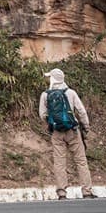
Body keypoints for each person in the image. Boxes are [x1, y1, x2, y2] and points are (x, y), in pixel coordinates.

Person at [39, 68, 95, 200]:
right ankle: (86, 191)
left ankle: (62, 193)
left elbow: (42, 114)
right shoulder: (71, 93)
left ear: (53, 79)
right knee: (81, 161)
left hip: (57, 132)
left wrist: (52, 122)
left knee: (59, 162)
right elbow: (81, 111)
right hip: (73, 131)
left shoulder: (45, 95)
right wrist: (86, 127)